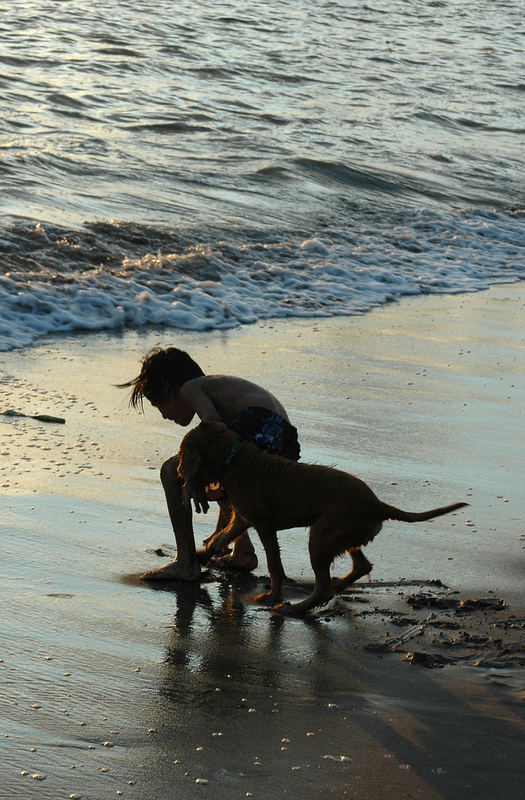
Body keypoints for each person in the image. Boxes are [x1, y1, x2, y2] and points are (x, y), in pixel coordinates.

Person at [120, 347, 301, 582]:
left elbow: (213, 428)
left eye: (157, 404)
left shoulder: (190, 388)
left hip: (262, 431)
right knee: (221, 467)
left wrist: (189, 473)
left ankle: (185, 562)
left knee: (171, 471)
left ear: (167, 387)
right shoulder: (216, 387)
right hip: (281, 441)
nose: (163, 415)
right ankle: (240, 549)